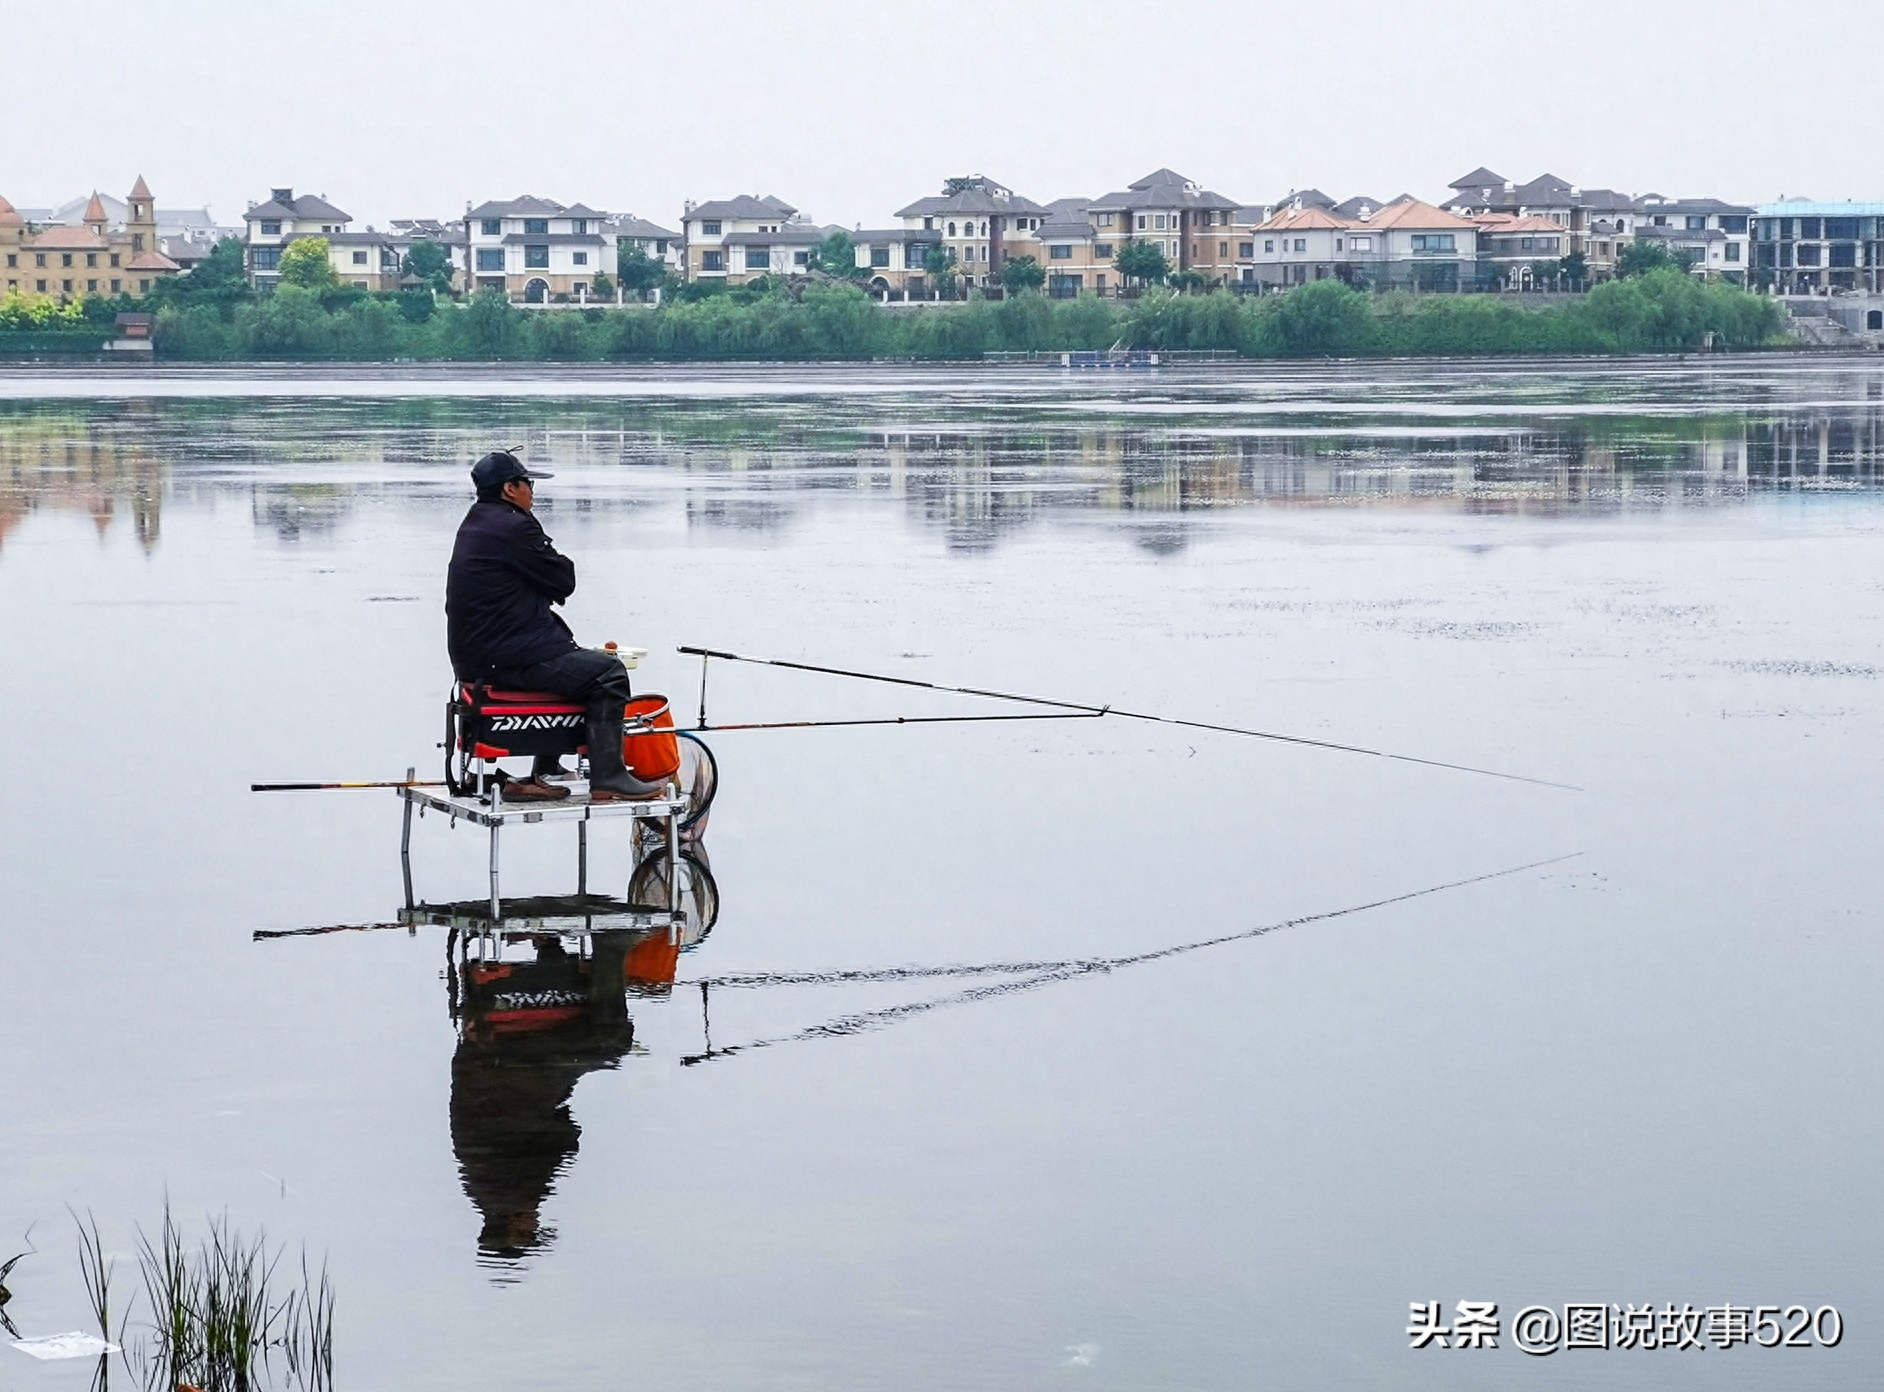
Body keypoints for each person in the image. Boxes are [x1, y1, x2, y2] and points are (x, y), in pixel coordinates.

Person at [446, 450, 664, 802]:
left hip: (480, 655)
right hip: (503, 658)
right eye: (528, 483)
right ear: (509, 488)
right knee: (608, 673)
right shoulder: (514, 525)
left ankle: (546, 767)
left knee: (573, 658)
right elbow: (563, 580)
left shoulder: (477, 521)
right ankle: (609, 776)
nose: (532, 491)